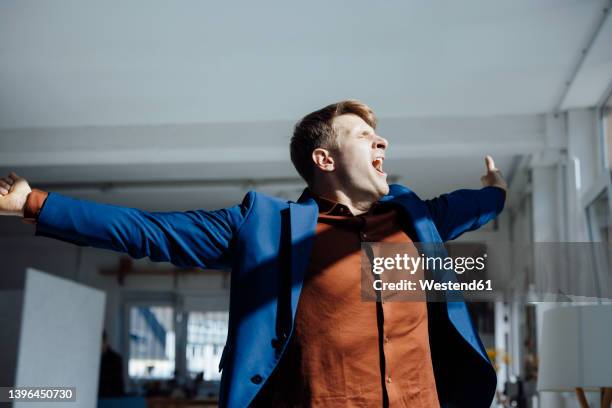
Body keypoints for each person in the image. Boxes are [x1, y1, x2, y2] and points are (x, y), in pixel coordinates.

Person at [0, 100, 507, 407]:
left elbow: (472, 208)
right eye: (363, 135)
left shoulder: (414, 218)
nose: (383, 141)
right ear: (324, 158)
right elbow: (148, 230)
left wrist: (497, 191)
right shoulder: (262, 227)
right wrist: (32, 202)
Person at [99, 330, 126, 398]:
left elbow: (118, 385)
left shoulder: (115, 359)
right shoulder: (92, 359)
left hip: (110, 398)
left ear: (104, 341)